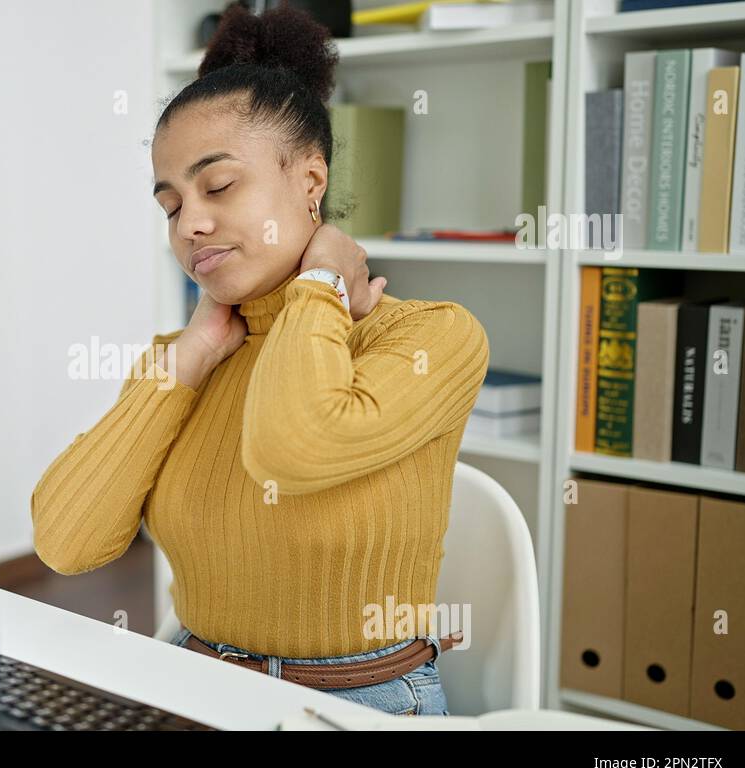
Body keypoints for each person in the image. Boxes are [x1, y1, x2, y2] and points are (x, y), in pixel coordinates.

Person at [30, 4, 489, 717]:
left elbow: (292, 446)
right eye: (170, 205)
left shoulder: (433, 338)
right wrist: (191, 357)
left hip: (361, 704)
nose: (191, 225)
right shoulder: (181, 362)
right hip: (194, 686)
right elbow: (65, 542)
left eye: (217, 187)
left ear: (311, 183)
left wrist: (320, 284)